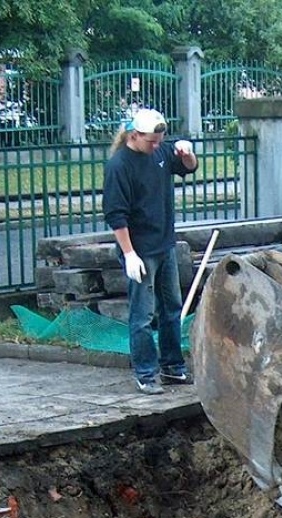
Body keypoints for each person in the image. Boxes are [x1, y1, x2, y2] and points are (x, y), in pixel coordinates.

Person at [103, 107, 199, 394]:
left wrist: (187, 153)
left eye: (160, 140)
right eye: (151, 141)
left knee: (172, 308)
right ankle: (145, 373)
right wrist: (129, 253)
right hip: (141, 250)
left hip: (164, 244)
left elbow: (189, 168)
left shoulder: (159, 152)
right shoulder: (120, 166)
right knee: (143, 315)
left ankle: (173, 367)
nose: (157, 146)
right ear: (135, 135)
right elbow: (116, 215)